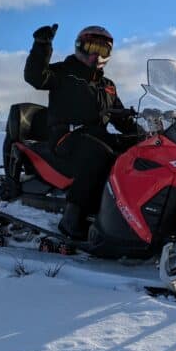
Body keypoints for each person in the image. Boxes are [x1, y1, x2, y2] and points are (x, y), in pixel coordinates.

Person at [25, 23, 145, 239]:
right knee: (98, 152)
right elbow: (36, 76)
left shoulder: (107, 85)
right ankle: (73, 218)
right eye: (91, 47)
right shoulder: (63, 72)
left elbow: (120, 117)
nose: (95, 55)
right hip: (66, 137)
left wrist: (145, 137)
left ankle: (134, 214)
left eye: (102, 50)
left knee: (132, 152)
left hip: (96, 136)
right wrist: (42, 45)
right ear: (80, 46)